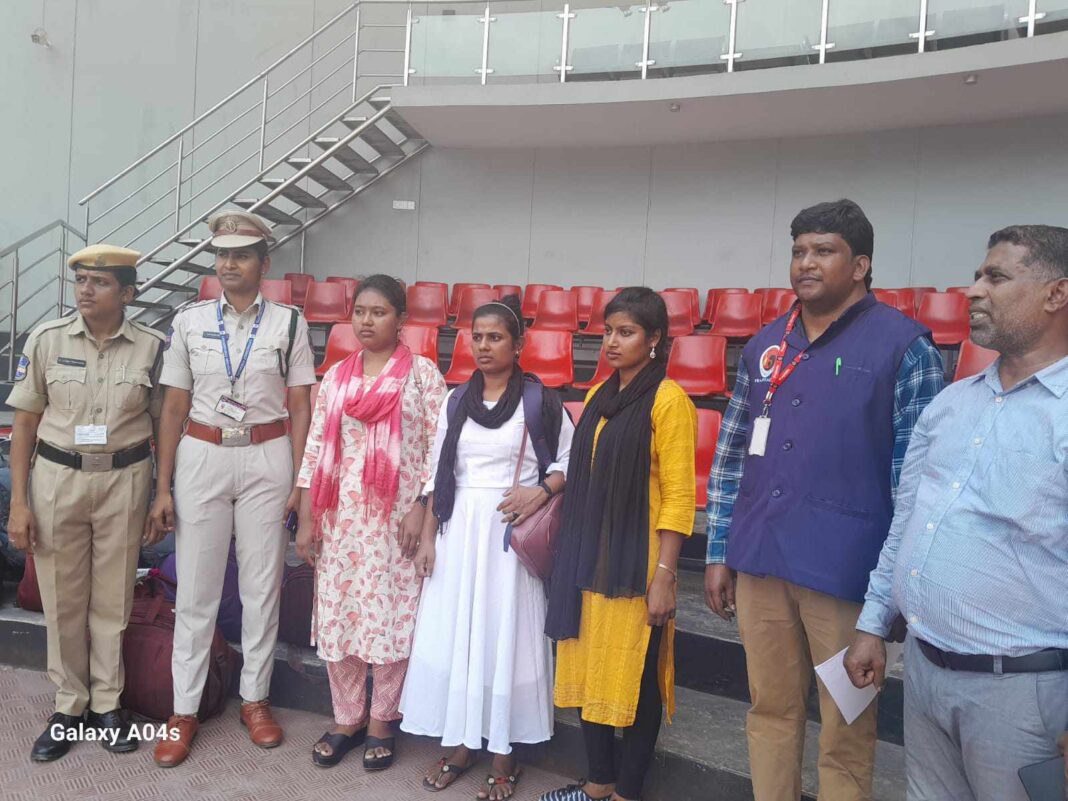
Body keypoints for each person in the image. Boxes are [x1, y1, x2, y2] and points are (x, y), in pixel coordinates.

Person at [703, 199, 945, 801]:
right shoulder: (766, 344)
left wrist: (887, 600)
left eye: (823, 251)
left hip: (846, 576)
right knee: (769, 709)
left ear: (860, 265)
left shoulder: (904, 347)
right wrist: (718, 550)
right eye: (799, 251)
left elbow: (917, 486)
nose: (806, 263)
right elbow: (731, 455)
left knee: (847, 727)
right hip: (761, 560)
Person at [845, 224, 1068, 801]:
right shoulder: (951, 403)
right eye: (976, 276)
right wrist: (873, 622)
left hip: (1023, 693)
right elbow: (907, 523)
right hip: (924, 672)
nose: (973, 291)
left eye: (996, 277)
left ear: (1057, 294)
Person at [147, 210, 315, 768]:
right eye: (222, 254)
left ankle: (255, 699)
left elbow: (300, 405)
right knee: (196, 588)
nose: (229, 264)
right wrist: (163, 485)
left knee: (262, 586)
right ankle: (184, 709)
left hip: (267, 454)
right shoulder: (189, 320)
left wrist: (298, 480)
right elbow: (173, 404)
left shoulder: (288, 323)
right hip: (203, 452)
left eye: (241, 255)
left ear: (264, 264)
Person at [399, 295, 574, 800]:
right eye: (477, 337)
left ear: (518, 345)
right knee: (460, 636)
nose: (483, 346)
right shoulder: (455, 401)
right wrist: (428, 538)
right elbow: (440, 473)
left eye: (495, 337)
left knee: (504, 639)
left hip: (508, 538)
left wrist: (539, 491)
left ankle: (503, 754)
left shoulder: (539, 401)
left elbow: (570, 461)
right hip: (458, 535)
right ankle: (460, 746)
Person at [6, 244, 166, 760]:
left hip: (125, 480)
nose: (86, 290)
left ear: (127, 293)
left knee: (113, 600)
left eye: (99, 282)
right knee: (62, 598)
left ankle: (107, 705)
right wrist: (19, 503)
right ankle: (69, 708)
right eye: (81, 281)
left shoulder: (152, 347)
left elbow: (165, 423)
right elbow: (24, 423)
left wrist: (162, 492)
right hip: (58, 480)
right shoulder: (47, 339)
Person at [541, 287, 697, 801]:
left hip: (637, 565)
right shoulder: (596, 398)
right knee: (591, 667)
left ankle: (627, 791)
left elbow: (679, 497)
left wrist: (665, 576)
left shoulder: (669, 401)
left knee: (638, 676)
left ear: (654, 339)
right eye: (608, 331)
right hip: (590, 559)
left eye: (625, 332)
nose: (611, 341)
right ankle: (597, 783)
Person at [294, 274, 446, 770]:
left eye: (379, 312)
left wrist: (421, 508)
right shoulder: (336, 377)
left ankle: (382, 720)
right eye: (360, 311)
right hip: (341, 520)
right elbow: (315, 449)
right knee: (342, 616)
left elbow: (438, 452)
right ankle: (347, 718)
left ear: (401, 319)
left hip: (398, 523)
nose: (366, 321)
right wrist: (307, 519)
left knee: (391, 619)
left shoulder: (422, 376)